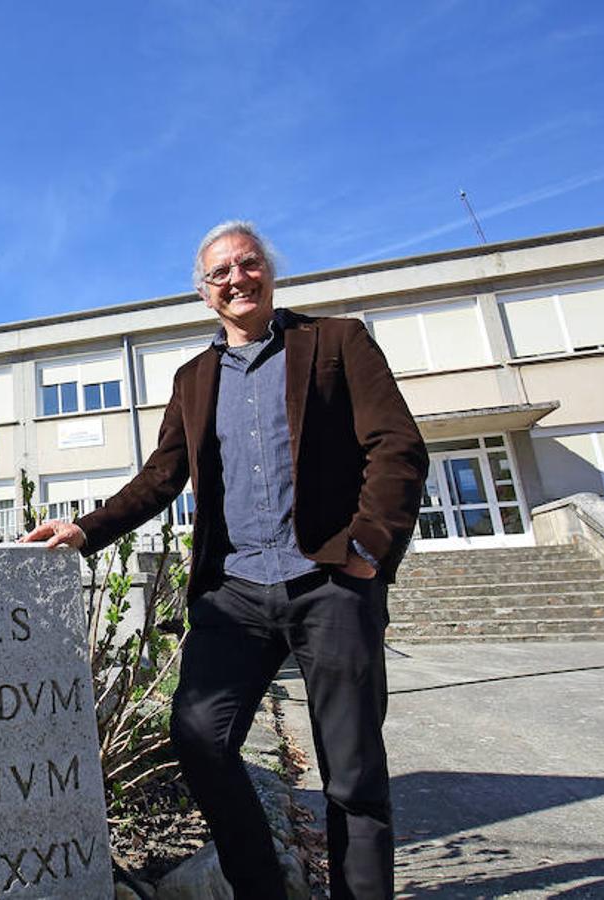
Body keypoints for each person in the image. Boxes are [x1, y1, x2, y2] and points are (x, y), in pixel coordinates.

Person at [24, 221, 426, 898]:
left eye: (249, 264)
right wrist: (85, 529)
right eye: (220, 273)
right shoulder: (193, 379)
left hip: (329, 581)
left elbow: (397, 445)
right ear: (205, 293)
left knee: (353, 776)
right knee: (200, 738)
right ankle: (261, 888)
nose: (237, 278)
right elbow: (161, 477)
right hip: (234, 591)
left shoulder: (336, 341)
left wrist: (368, 545)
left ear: (270, 271)